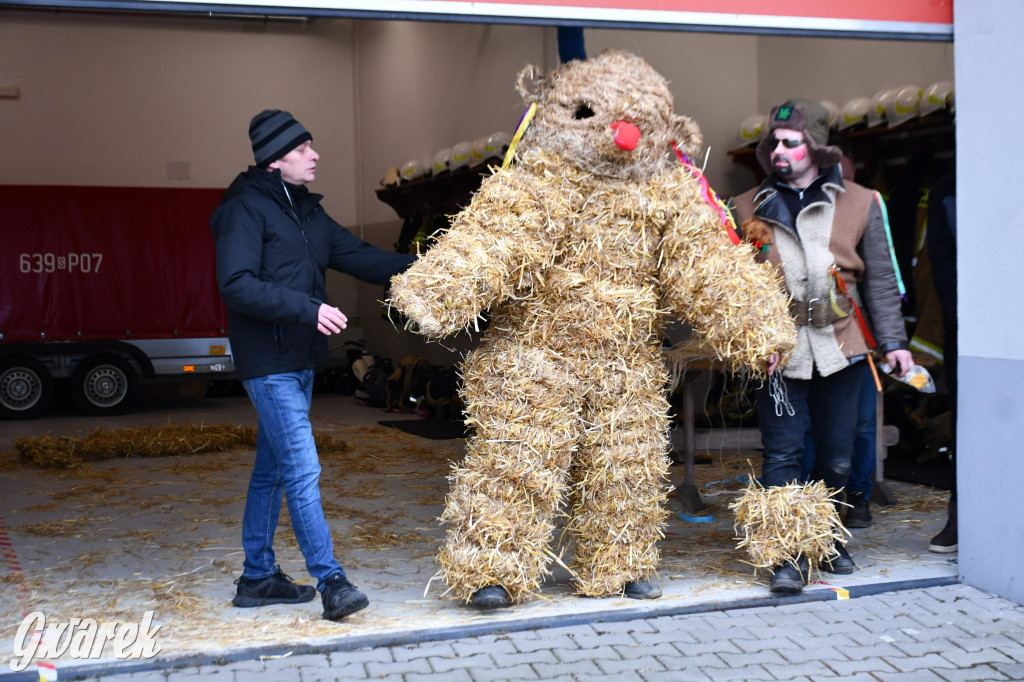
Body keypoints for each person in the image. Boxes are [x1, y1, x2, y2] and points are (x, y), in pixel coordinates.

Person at [210, 109, 416, 621]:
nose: (315, 155)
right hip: (269, 363)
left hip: (300, 359)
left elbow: (361, 256)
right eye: (303, 149)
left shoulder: (308, 214)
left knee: (273, 473)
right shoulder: (245, 209)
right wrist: (309, 309)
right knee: (302, 470)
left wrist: (432, 264)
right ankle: (332, 582)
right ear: (276, 159)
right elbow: (235, 283)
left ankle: (257, 577)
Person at [731, 99, 914, 594]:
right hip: (778, 352)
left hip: (843, 346)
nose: (778, 151)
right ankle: (786, 555)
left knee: (835, 456)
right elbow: (736, 288)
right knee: (782, 456)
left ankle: (826, 541)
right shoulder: (746, 206)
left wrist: (895, 343)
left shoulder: (863, 201)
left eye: (791, 142)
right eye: (773, 143)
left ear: (817, 147)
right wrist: (753, 338)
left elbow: (881, 280)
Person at [926, 167, 957, 552]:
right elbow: (941, 261)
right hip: (967, 328)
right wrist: (959, 318)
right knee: (965, 425)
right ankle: (960, 516)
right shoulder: (945, 189)